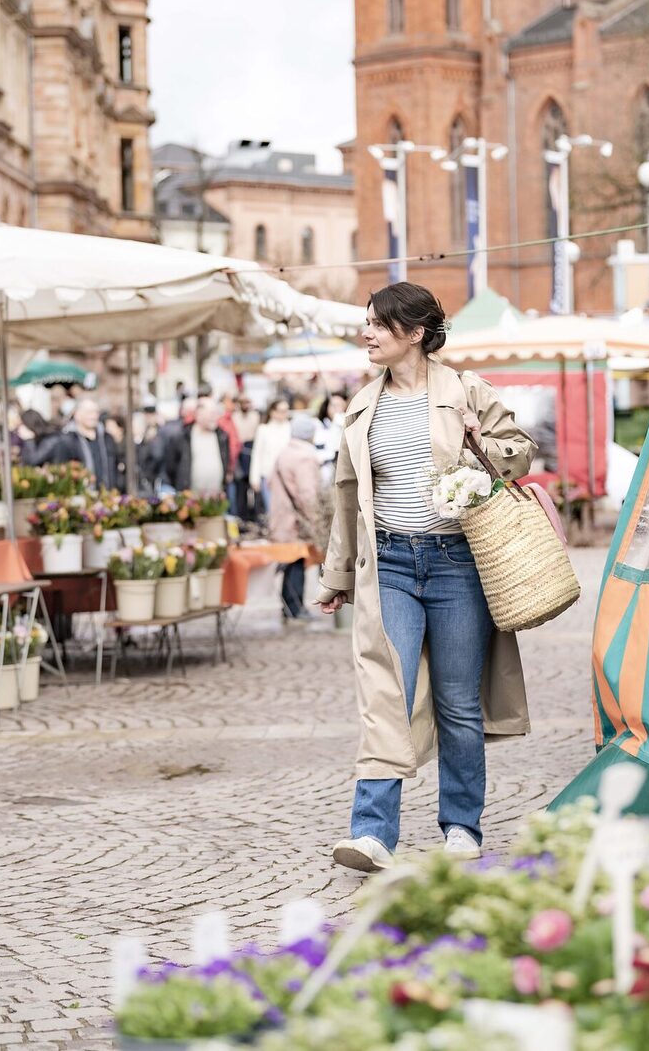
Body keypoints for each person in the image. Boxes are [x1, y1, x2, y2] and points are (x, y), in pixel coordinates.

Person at [317, 281, 536, 873]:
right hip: (388, 564)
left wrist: (478, 437)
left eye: (377, 325)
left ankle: (462, 826)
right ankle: (372, 834)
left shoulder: (465, 389)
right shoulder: (362, 406)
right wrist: (337, 575)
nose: (366, 333)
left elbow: (522, 453)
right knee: (386, 693)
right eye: (365, 322)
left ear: (414, 334)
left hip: (456, 563)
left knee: (459, 702)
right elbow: (346, 498)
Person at [269, 413, 322, 624]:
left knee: (290, 560)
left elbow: (270, 483)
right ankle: (295, 606)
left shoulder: (284, 453)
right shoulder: (305, 457)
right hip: (296, 519)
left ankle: (288, 605)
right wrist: (315, 519)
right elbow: (307, 494)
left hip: (282, 515)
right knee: (297, 560)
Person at [156, 396, 232, 496]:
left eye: (216, 413)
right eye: (211, 414)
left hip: (216, 498)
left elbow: (226, 460)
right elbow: (171, 467)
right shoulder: (183, 436)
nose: (215, 417)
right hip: (190, 500)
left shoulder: (222, 436)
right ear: (198, 414)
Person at [55, 396, 122, 490]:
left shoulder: (107, 438)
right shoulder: (68, 440)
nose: (93, 416)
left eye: (96, 412)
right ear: (77, 414)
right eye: (89, 412)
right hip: (81, 497)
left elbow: (115, 465)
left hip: (108, 496)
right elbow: (62, 470)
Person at [249, 398, 291, 515]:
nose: (285, 414)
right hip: (267, 476)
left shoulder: (290, 428)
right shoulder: (263, 429)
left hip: (286, 476)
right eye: (282, 411)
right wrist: (254, 478)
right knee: (271, 510)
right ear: (273, 412)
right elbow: (257, 454)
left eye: (286, 410)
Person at [232, 395, 261, 522]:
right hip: (240, 451)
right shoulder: (235, 417)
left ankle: (255, 514)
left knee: (254, 482)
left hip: (252, 448)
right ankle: (242, 515)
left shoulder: (255, 416)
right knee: (241, 484)